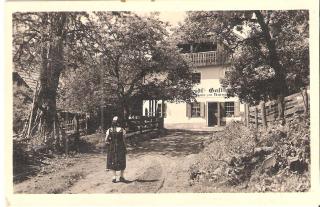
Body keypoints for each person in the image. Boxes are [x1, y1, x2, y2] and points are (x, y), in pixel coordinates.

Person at [105, 116, 127, 183]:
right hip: (120, 147)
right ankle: (121, 176)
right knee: (122, 160)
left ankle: (114, 177)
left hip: (112, 147)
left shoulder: (109, 130)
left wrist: (109, 142)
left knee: (113, 160)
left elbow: (106, 140)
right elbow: (124, 140)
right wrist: (125, 147)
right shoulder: (122, 130)